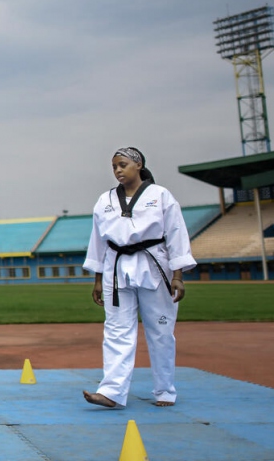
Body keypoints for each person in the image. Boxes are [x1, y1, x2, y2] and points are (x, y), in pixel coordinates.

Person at [81, 147, 196, 408]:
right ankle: (112, 392)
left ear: (138, 164)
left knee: (161, 331)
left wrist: (178, 275)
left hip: (154, 265)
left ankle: (165, 390)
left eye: (122, 165)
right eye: (114, 167)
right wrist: (97, 279)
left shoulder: (161, 196)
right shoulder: (105, 200)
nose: (118, 170)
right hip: (115, 268)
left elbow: (176, 234)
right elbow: (98, 241)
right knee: (116, 330)